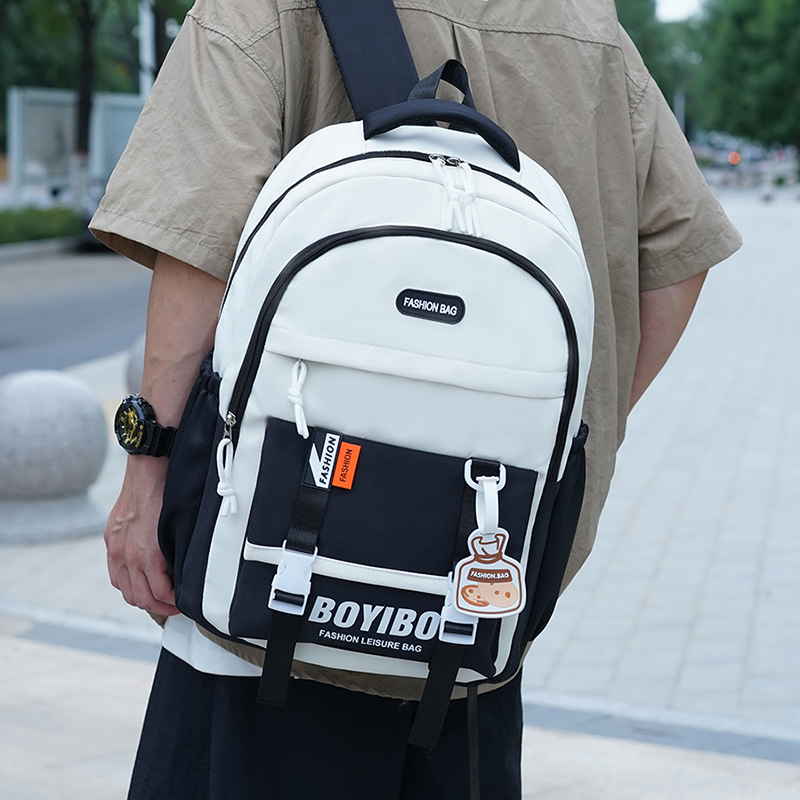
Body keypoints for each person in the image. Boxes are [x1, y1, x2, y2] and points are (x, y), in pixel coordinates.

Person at [90, 0, 742, 797]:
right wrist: (545, 439)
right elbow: (679, 261)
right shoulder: (587, 26)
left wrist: (148, 470)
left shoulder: (257, 9)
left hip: (263, 598)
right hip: (471, 598)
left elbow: (198, 246)